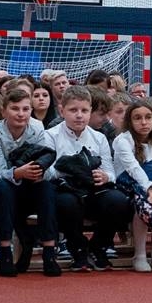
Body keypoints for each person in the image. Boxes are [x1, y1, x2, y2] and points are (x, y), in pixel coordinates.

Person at [0, 80, 63, 279]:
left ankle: (48, 253)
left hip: (33, 185)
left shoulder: (37, 128)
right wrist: (18, 173)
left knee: (46, 187)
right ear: (4, 111)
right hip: (9, 187)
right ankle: (5, 253)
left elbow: (48, 159)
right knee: (2, 187)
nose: (21, 113)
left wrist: (38, 171)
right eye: (15, 109)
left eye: (25, 109)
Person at [49, 85, 130, 271]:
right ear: (62, 111)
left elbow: (112, 173)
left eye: (84, 110)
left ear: (90, 111)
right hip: (65, 190)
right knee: (67, 203)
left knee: (118, 201)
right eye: (73, 110)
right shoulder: (50, 136)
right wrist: (71, 169)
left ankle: (98, 245)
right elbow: (46, 173)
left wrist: (104, 176)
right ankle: (78, 249)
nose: (79, 115)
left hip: (93, 190)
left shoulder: (99, 138)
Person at [113, 98, 152, 273]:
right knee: (142, 201)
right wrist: (149, 190)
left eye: (148, 117)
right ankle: (140, 255)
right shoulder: (122, 140)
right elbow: (132, 168)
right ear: (129, 121)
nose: (144, 122)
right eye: (138, 118)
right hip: (127, 182)